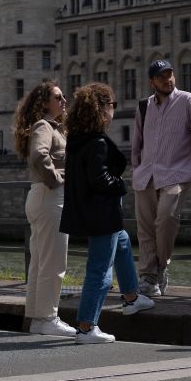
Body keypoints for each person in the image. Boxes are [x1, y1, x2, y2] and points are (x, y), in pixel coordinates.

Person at [60, 82, 154, 344]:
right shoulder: (97, 143)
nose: (114, 110)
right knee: (100, 269)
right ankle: (86, 326)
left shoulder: (78, 140)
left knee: (122, 244)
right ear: (101, 109)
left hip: (90, 210)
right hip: (102, 212)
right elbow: (99, 179)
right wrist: (120, 185)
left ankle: (132, 298)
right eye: (111, 105)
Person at [132, 59, 191, 297]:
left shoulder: (189, 101)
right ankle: (148, 277)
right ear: (152, 82)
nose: (167, 79)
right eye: (161, 77)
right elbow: (137, 142)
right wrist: (136, 168)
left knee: (166, 218)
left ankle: (160, 268)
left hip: (177, 171)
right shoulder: (143, 106)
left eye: (170, 75)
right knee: (145, 228)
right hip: (146, 174)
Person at [12, 81, 75, 337]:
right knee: (53, 262)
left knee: (40, 262)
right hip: (50, 197)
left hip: (41, 196)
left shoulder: (52, 127)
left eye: (63, 97)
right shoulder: (44, 126)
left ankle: (39, 318)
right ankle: (48, 317)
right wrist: (58, 179)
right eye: (58, 97)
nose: (64, 101)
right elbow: (39, 155)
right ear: (44, 102)